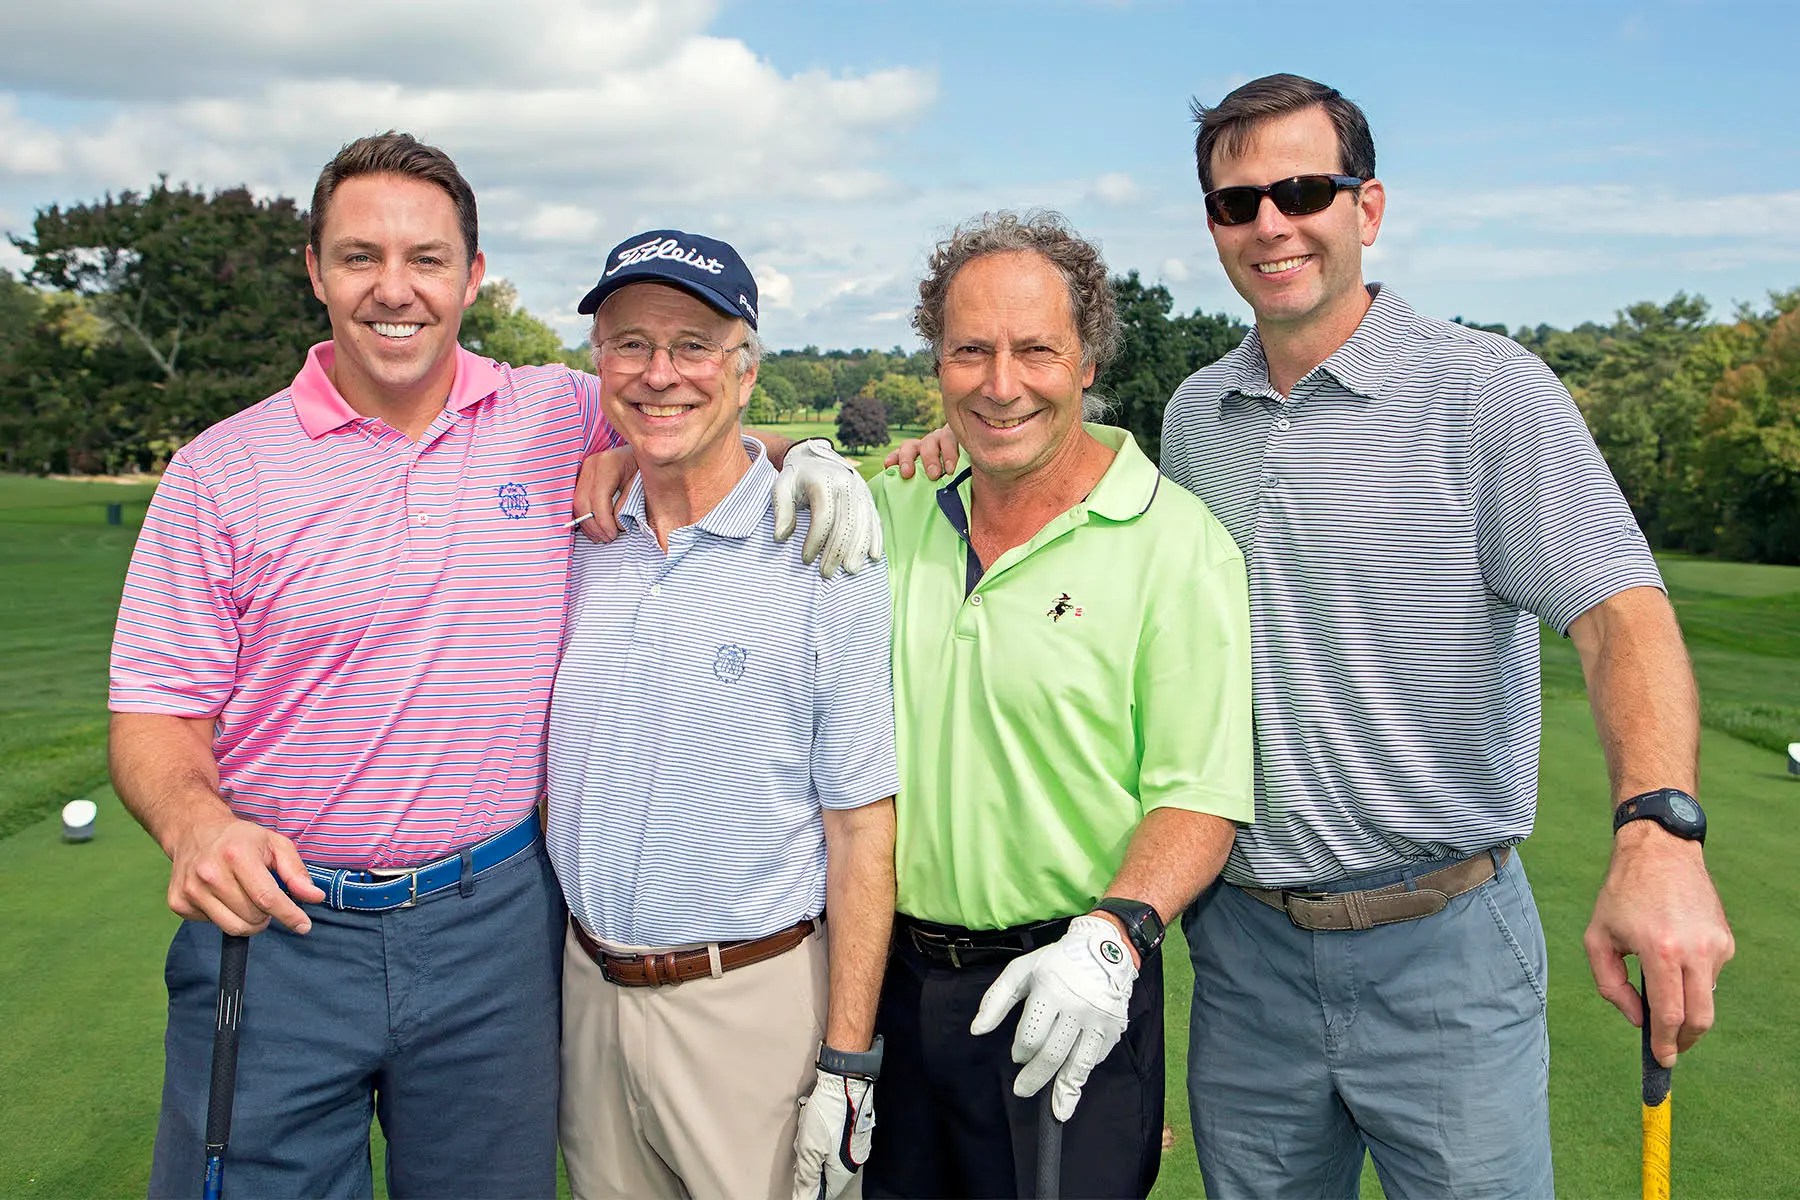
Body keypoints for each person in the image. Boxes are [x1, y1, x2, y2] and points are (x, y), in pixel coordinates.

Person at [892, 74, 1736, 1199]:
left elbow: (1620, 612)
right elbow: (1061, 469)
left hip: (1442, 943)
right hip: (1243, 958)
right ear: (1214, 227)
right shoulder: (1198, 414)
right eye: (1239, 203)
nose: (1272, 224)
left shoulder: (1487, 392)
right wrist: (952, 447)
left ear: (1366, 207)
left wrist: (1657, 834)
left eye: (1302, 190)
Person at [109, 134, 879, 1200]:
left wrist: (816, 457)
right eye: (360, 257)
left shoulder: (549, 411)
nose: (394, 290)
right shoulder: (219, 472)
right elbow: (154, 709)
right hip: (282, 928)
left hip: (497, 927)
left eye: (426, 259)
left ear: (472, 277)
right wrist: (195, 827)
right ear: (316, 270)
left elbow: (688, 404)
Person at [863, 211, 1254, 1199]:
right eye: (971, 351)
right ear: (938, 363)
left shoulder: (1176, 542)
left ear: (1085, 363)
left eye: (1036, 350)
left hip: (1072, 982)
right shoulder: (895, 506)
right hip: (891, 990)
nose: (1001, 384)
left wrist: (1115, 936)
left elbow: (1199, 794)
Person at [547, 229, 899, 1200]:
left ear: (745, 373)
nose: (661, 373)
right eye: (631, 344)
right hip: (587, 996)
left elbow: (862, 826)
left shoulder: (823, 548)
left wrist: (848, 1063)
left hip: (752, 1009)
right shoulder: (577, 538)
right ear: (599, 366)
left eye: (694, 346)